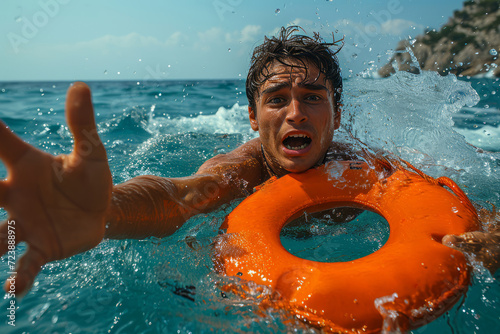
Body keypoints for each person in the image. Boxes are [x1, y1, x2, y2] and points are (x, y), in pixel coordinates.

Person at [0, 26, 498, 297]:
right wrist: (102, 210)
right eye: (277, 98)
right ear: (253, 115)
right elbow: (182, 195)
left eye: (313, 97)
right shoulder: (241, 170)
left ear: (337, 113)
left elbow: (449, 208)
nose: (295, 112)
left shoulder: (368, 167)